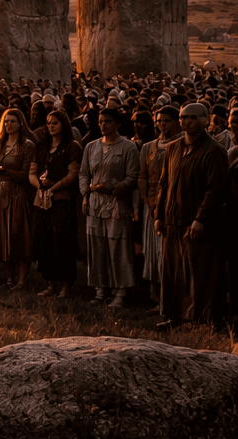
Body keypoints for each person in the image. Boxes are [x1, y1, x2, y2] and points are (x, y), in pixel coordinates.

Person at [156, 101, 229, 329]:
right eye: (182, 117)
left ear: (205, 121)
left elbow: (215, 190)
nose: (185, 121)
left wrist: (201, 219)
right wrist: (158, 214)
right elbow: (164, 184)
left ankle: (203, 319)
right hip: (172, 219)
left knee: (200, 273)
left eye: (191, 117)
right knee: (173, 272)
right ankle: (175, 316)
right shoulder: (173, 149)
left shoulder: (214, 151)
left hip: (196, 222)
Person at [80, 106, 141, 308]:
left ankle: (120, 291)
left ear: (117, 124)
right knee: (97, 247)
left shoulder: (128, 147)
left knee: (118, 247)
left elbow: (133, 175)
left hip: (117, 202)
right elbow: (84, 173)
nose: (103, 125)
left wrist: (118, 187)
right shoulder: (91, 147)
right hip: (95, 203)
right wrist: (86, 194)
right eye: (100, 121)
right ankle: (100, 289)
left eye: (107, 121)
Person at [30, 109, 82, 299]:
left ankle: (66, 286)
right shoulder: (41, 146)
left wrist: (54, 188)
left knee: (62, 242)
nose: (50, 126)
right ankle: (50, 283)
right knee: (44, 241)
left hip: (62, 199)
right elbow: (32, 172)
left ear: (64, 125)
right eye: (48, 123)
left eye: (55, 123)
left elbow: (73, 174)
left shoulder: (72, 146)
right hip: (42, 200)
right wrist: (40, 186)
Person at [0, 108, 36, 290]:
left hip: (17, 193)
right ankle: (8, 279)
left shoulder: (27, 145)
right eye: (6, 121)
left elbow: (24, 173)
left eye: (13, 121)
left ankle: (21, 280)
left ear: (20, 123)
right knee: (1, 234)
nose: (8, 125)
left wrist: (3, 170)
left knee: (17, 233)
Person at [140, 106, 181, 302]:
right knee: (152, 249)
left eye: (166, 121)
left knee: (167, 250)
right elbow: (142, 176)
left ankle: (171, 295)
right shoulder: (149, 147)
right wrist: (148, 200)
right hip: (152, 203)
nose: (162, 124)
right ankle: (154, 293)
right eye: (159, 121)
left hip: (172, 203)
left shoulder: (181, 144)